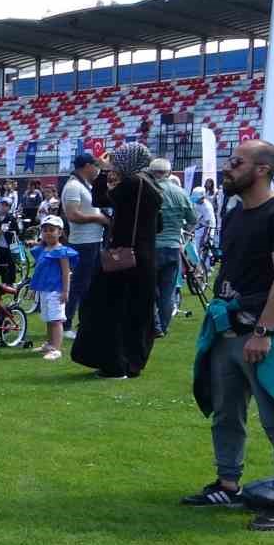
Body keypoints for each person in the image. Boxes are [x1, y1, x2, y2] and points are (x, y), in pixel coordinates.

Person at [183, 139, 274, 531]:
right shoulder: (236, 213)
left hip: (261, 332)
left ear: (262, 169)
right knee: (226, 413)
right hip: (227, 331)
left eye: (237, 162)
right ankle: (228, 485)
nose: (228, 167)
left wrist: (263, 332)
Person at [72, 143, 161, 380]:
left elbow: (101, 198)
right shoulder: (149, 183)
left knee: (112, 310)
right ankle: (129, 362)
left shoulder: (134, 183)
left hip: (126, 259)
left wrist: (103, 172)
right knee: (134, 313)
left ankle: (116, 364)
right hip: (142, 258)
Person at [61, 153, 113, 337]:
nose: (97, 170)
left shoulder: (84, 185)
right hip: (83, 242)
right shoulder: (73, 186)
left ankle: (83, 322)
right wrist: (98, 218)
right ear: (87, 166)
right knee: (79, 285)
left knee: (88, 285)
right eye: (95, 166)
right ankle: (66, 324)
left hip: (92, 241)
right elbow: (72, 215)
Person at [150, 159, 198, 337]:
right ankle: (163, 326)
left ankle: (154, 324)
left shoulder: (149, 191)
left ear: (151, 172)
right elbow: (193, 219)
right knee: (168, 291)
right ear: (169, 173)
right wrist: (183, 236)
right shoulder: (180, 192)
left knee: (149, 289)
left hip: (152, 246)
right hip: (173, 246)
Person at [27, 214, 77, 360]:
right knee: (49, 319)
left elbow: (66, 273)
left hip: (56, 291)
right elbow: (39, 271)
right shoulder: (43, 250)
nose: (48, 233)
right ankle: (50, 344)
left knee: (56, 320)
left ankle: (56, 348)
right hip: (45, 290)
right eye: (45, 230)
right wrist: (33, 289)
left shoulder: (61, 251)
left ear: (59, 232)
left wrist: (65, 291)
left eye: (52, 230)